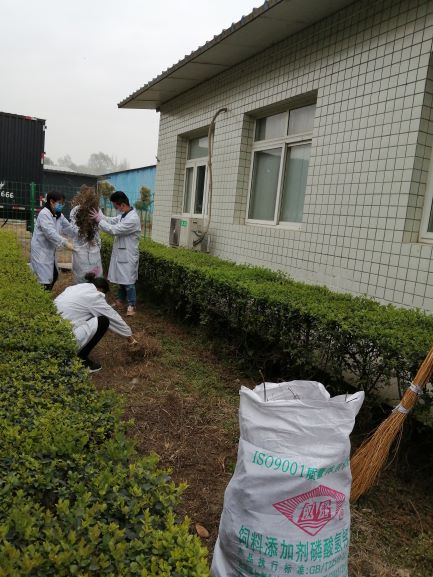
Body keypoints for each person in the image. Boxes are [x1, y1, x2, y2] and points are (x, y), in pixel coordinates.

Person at [54, 272, 138, 373]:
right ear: (101, 289)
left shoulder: (75, 287)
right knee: (103, 321)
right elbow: (113, 317)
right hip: (64, 339)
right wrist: (130, 337)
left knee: (92, 316)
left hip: (51, 332)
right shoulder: (94, 296)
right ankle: (81, 360)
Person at [90, 190, 141, 316]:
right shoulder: (124, 215)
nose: (115, 209)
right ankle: (120, 301)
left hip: (128, 255)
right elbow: (112, 220)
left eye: (116, 206)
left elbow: (114, 230)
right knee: (121, 281)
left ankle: (131, 305)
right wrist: (100, 215)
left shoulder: (133, 219)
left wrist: (99, 220)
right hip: (122, 254)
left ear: (122, 205)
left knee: (128, 282)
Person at [30, 191, 75, 290]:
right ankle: (41, 296)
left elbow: (69, 228)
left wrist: (82, 234)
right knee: (44, 280)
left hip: (50, 251)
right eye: (60, 203)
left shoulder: (59, 215)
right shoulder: (44, 214)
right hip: (41, 251)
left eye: (63, 203)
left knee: (53, 276)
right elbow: (50, 233)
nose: (62, 205)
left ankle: (45, 294)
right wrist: (65, 242)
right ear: (51, 201)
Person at [69, 185, 103, 284]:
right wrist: (84, 233)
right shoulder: (76, 210)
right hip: (80, 246)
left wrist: (94, 239)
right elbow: (73, 228)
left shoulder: (97, 210)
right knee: (81, 272)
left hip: (93, 245)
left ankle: (94, 287)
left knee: (94, 270)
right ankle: (80, 287)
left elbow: (99, 225)